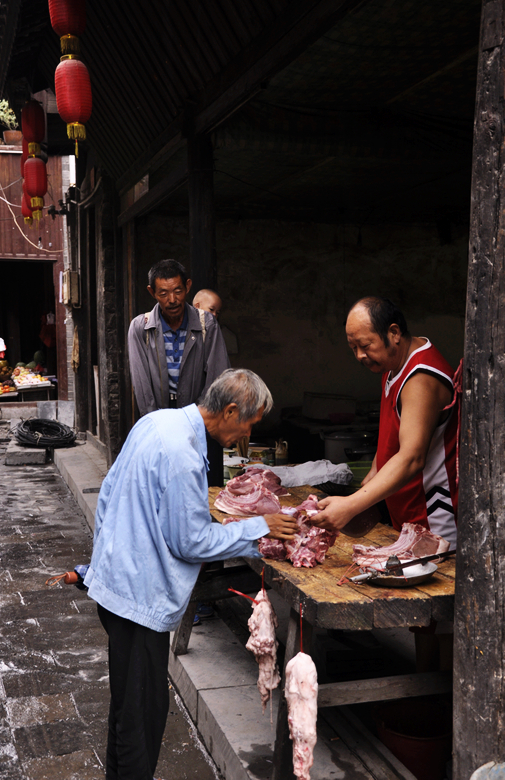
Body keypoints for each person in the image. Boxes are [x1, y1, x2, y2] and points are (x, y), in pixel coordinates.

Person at [84, 369, 298, 780]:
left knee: (127, 711)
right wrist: (259, 529)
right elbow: (192, 542)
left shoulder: (156, 421)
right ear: (231, 410)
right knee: (141, 720)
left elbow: (108, 491)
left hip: (116, 586)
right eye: (249, 425)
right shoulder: (183, 455)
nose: (246, 436)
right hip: (137, 600)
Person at [311, 296, 458, 549]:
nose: (359, 355)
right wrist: (371, 479)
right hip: (407, 515)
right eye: (352, 347)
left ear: (394, 333)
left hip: (433, 518)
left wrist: (352, 504)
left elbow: (412, 458)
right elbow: (392, 434)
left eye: (365, 345)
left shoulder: (420, 378)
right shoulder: (392, 365)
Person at [128, 259, 229, 486]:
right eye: (163, 293)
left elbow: (218, 378)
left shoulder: (208, 325)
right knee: (165, 490)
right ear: (151, 292)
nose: (172, 300)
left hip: (201, 421)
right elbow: (142, 385)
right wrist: (158, 428)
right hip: (159, 422)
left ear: (188, 287)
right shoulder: (140, 328)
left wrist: (196, 421)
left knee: (204, 490)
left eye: (177, 291)